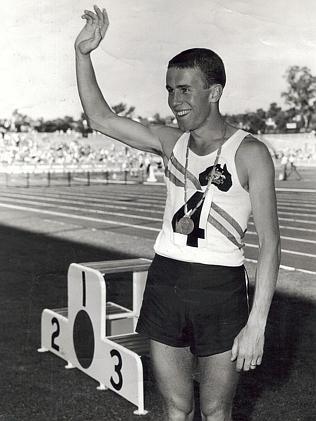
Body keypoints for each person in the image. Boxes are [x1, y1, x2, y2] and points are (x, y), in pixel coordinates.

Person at [75, 6, 281, 421]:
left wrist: (256, 323)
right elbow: (100, 118)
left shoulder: (251, 152)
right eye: (170, 89)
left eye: (185, 89)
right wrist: (83, 55)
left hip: (220, 288)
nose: (174, 100)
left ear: (215, 91)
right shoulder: (171, 142)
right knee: (175, 407)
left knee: (217, 409)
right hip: (166, 279)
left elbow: (272, 244)